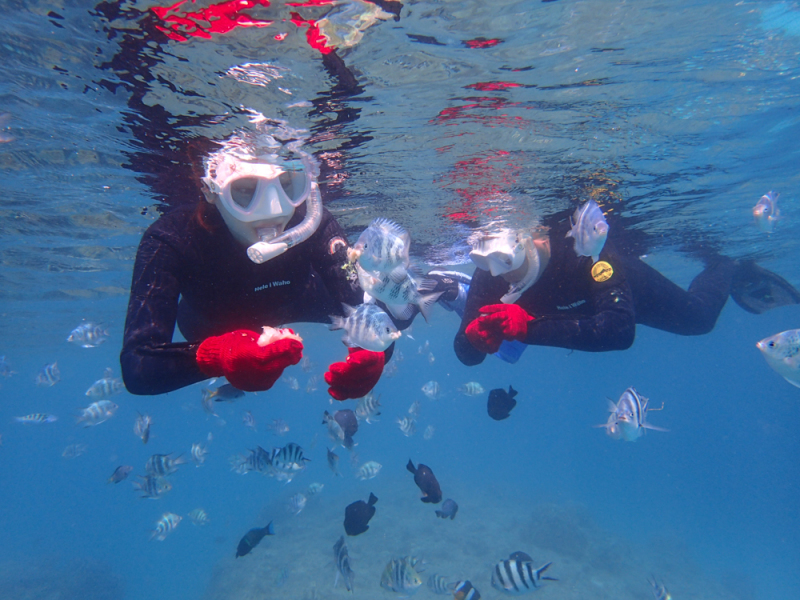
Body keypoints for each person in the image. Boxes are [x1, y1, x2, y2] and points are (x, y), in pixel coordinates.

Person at [120, 131, 393, 400]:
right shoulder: (171, 237)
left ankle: (436, 283)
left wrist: (373, 352)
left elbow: (367, 311)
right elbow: (139, 365)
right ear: (210, 190)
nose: (275, 209)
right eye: (244, 189)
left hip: (300, 299)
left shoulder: (315, 221)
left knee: (397, 308)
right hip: (210, 326)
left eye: (287, 184)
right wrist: (221, 354)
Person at [450, 215, 800, 366]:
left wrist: (529, 329)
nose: (501, 276)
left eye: (507, 263)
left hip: (623, 294)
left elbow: (618, 331)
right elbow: (468, 355)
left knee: (699, 318)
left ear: (531, 237)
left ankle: (728, 266)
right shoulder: (490, 270)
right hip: (574, 316)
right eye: (488, 265)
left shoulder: (588, 252)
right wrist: (473, 339)